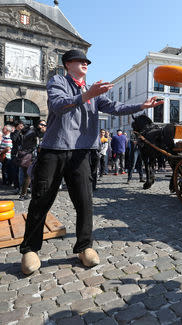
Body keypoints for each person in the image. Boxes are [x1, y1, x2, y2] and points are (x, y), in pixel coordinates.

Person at [19, 49, 164, 275]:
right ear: (68, 64)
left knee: (85, 202)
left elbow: (115, 108)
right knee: (41, 199)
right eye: (80, 60)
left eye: (87, 61)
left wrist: (141, 106)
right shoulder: (57, 81)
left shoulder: (92, 90)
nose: (86, 63)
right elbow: (58, 105)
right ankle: (30, 249)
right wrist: (88, 95)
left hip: (82, 152)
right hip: (54, 149)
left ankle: (84, 247)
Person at [17, 120, 47, 200]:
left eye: (44, 125)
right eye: (42, 124)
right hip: (28, 156)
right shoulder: (33, 132)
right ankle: (23, 195)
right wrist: (44, 132)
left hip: (25, 155)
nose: (43, 126)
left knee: (27, 175)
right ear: (38, 124)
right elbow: (41, 135)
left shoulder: (29, 130)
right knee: (28, 176)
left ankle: (25, 193)